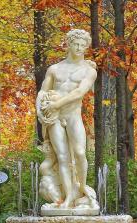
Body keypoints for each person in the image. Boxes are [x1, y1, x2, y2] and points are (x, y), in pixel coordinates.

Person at [36, 29, 99, 212]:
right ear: (68, 44)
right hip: (53, 117)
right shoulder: (54, 69)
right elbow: (42, 91)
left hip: (72, 114)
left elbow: (79, 92)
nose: (79, 48)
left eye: (82, 45)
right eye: (75, 44)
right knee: (62, 156)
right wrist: (39, 108)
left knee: (79, 153)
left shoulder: (89, 71)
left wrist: (57, 105)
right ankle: (68, 197)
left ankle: (81, 190)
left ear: (86, 46)